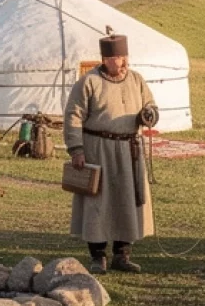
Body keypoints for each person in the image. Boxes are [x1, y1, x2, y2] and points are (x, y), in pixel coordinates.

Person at [65, 30, 159, 274]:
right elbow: (73, 116)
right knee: (98, 202)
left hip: (129, 150)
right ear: (105, 59)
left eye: (122, 57)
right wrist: (76, 149)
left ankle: (122, 254)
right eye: (114, 58)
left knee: (127, 200)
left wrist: (148, 114)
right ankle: (98, 256)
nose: (119, 62)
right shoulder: (89, 82)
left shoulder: (136, 80)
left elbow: (150, 104)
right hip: (99, 149)